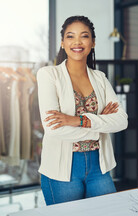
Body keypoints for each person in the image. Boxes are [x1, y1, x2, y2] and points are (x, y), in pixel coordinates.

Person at [37, 15, 128, 206]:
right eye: (70, 36)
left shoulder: (100, 78)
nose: (77, 42)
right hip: (62, 170)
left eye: (84, 36)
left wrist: (78, 120)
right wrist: (100, 123)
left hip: (99, 167)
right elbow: (54, 128)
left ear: (92, 42)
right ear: (62, 43)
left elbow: (122, 120)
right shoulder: (48, 75)